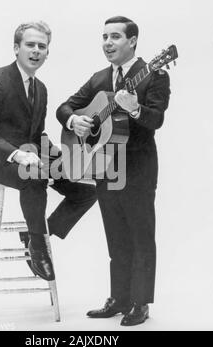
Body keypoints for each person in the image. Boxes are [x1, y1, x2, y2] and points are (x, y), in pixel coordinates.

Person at [56, 16, 171, 326]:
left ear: (132, 41)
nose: (107, 43)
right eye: (104, 36)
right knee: (116, 236)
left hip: (138, 166)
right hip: (105, 167)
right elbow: (64, 107)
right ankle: (119, 298)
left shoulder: (154, 74)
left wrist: (134, 108)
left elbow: (156, 119)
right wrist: (74, 121)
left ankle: (140, 303)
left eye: (115, 37)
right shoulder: (98, 78)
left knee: (140, 235)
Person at [0, 21, 96, 282]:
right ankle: (38, 251)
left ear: (47, 53)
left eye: (42, 46)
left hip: (31, 158)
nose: (36, 50)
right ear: (16, 48)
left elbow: (37, 134)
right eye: (30, 44)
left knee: (88, 189)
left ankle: (35, 235)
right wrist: (18, 155)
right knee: (34, 177)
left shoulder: (40, 89)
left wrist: (60, 158)